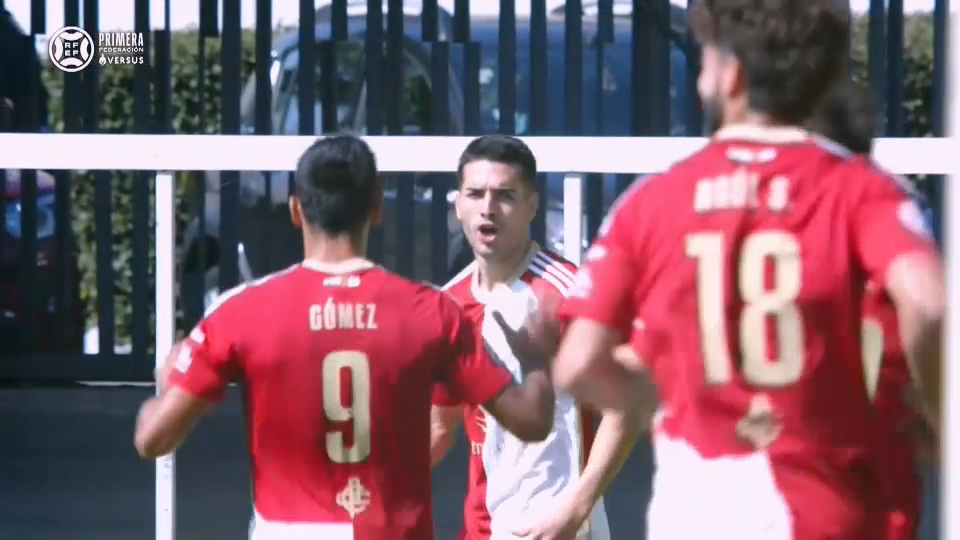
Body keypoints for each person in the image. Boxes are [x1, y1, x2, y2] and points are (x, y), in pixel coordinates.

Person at [547, 0, 945, 538]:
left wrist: (671, 395)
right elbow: (929, 303)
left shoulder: (653, 200)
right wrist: (941, 416)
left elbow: (577, 364)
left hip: (699, 511)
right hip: (830, 510)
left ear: (730, 76)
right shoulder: (865, 190)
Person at [133, 135, 557, 540]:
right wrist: (535, 363)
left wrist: (169, 380)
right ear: (376, 207)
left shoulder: (241, 312)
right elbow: (533, 422)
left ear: (296, 211)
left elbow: (153, 439)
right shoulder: (432, 312)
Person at [430, 135, 639, 540]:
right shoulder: (447, 305)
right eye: (475, 193)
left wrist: (575, 511)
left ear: (531, 206)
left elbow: (624, 407)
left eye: (505, 195)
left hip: (563, 532)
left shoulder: (567, 295)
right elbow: (439, 428)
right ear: (458, 204)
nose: (488, 208)